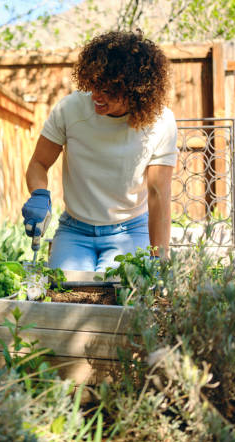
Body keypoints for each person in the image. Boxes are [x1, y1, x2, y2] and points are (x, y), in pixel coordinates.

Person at [22, 30, 178, 272]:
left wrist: (160, 257)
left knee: (120, 295)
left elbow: (158, 193)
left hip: (130, 229)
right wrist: (39, 194)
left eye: (109, 91)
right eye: (94, 85)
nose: (96, 96)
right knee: (65, 291)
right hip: (75, 229)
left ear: (136, 91)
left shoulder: (160, 123)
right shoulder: (70, 109)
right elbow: (39, 163)